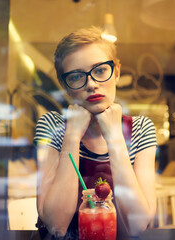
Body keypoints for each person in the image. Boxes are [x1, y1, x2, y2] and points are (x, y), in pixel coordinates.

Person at [34, 26, 157, 239]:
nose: (91, 84)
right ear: (65, 85)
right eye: (76, 76)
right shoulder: (52, 125)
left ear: (116, 72)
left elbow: (138, 225)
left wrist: (115, 138)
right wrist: (72, 135)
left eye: (100, 70)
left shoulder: (140, 128)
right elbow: (56, 226)